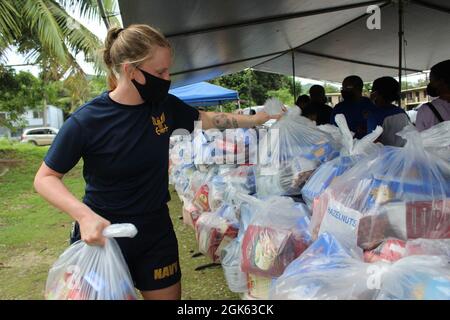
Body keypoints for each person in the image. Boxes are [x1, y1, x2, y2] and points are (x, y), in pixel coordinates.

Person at [33, 24, 282, 300]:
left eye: (168, 71)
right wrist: (83, 216)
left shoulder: (165, 107)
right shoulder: (87, 120)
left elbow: (208, 119)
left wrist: (258, 119)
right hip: (105, 236)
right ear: (131, 71)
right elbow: (45, 178)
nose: (167, 79)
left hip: (155, 233)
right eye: (160, 72)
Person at [367, 77, 410, 147]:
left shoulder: (374, 116)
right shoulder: (401, 112)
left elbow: (372, 144)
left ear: (376, 93)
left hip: (385, 156)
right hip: (405, 155)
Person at [416, 59, 450, 131]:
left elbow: (419, 140)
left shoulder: (426, 110)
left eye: (431, 81)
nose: (430, 84)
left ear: (441, 81)